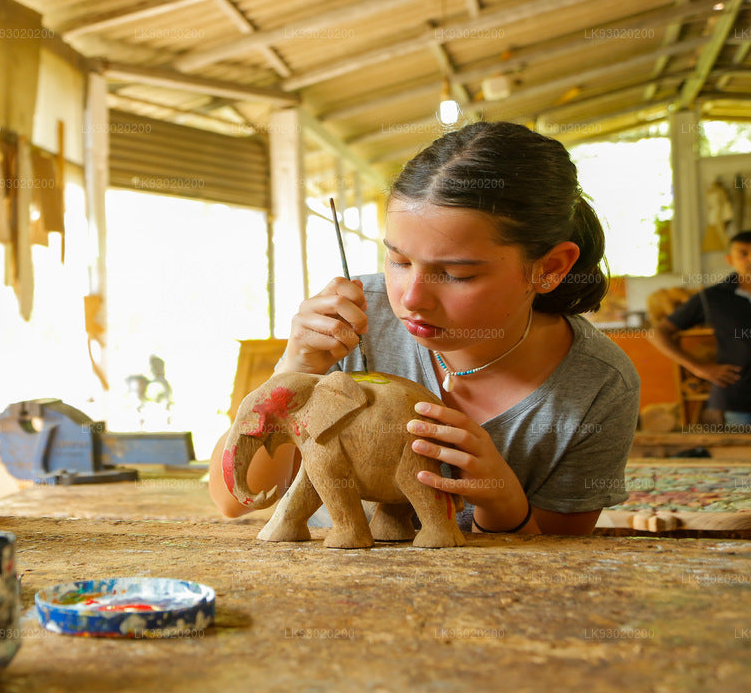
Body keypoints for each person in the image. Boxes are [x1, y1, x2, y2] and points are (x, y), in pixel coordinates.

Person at [208, 121, 641, 536]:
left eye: (455, 273)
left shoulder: (599, 386)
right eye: (398, 261)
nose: (411, 298)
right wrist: (296, 366)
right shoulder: (353, 319)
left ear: (549, 268)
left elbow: (560, 561)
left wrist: (504, 504)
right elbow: (234, 500)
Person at [649, 231, 751, 429]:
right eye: (743, 253)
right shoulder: (713, 298)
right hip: (740, 401)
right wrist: (697, 367)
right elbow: (658, 333)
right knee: (744, 459)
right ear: (730, 259)